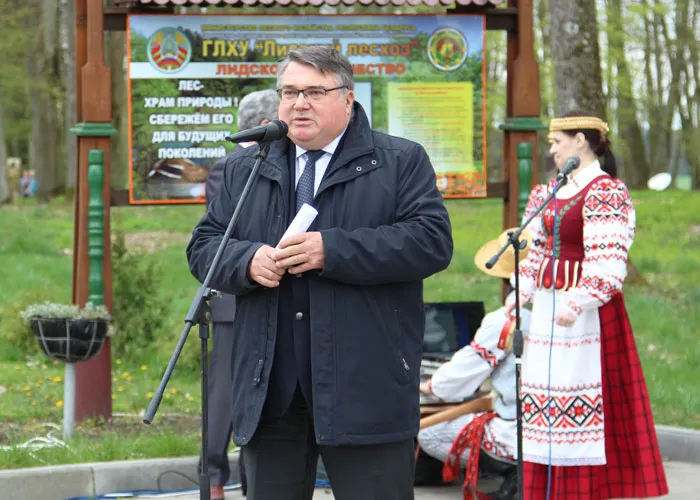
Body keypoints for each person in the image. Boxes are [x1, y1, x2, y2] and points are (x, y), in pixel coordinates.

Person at [186, 46, 453, 500]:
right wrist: (248, 261)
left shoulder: (399, 160)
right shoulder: (246, 167)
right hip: (271, 389)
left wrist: (333, 250)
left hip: (364, 385)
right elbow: (205, 247)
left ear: (347, 99)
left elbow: (430, 242)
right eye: (289, 92)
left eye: (314, 91)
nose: (298, 103)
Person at [506, 110, 669, 499]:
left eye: (556, 142)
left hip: (586, 317)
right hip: (548, 310)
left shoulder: (605, 191)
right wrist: (519, 296)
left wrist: (579, 301)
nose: (552, 151)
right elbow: (533, 250)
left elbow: (609, 259)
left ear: (580, 140)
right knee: (545, 402)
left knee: (581, 404)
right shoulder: (548, 192)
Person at [199, 89, 279, 500]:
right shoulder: (229, 167)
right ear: (267, 125)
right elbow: (221, 235)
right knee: (227, 391)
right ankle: (213, 478)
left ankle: (255, 480)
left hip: (278, 294)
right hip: (236, 299)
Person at [417, 228, 533, 500]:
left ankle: (516, 470)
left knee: (430, 433)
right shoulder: (562, 309)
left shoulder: (506, 320)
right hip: (562, 426)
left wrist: (431, 386)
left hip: (520, 429)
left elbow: (461, 376)